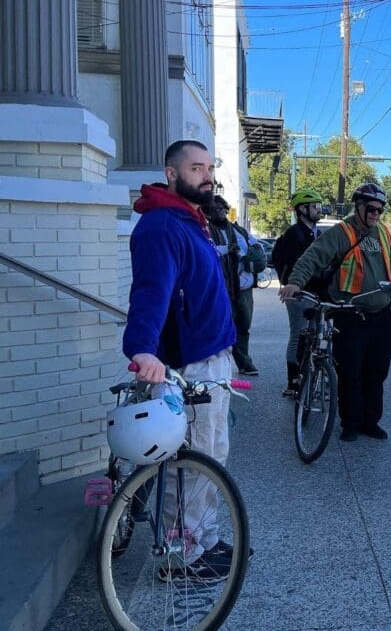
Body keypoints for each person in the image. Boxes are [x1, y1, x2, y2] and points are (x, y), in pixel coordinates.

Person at [122, 139, 238, 581]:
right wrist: (143, 348)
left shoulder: (191, 219)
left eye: (209, 167)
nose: (207, 174)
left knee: (212, 456)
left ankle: (202, 537)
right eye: (196, 167)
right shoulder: (162, 227)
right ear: (172, 173)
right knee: (190, 465)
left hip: (212, 357)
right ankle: (179, 556)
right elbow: (150, 293)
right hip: (188, 365)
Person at [280, 183, 391, 441]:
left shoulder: (384, 234)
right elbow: (312, 257)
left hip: (380, 315)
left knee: (377, 371)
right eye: (371, 209)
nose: (375, 214)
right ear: (358, 207)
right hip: (349, 313)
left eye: (380, 210)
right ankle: (351, 423)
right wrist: (295, 282)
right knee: (351, 371)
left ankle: (371, 421)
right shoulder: (341, 232)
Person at [271, 187, 325, 396]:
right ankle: (293, 382)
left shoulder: (314, 233)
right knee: (299, 335)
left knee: (313, 335)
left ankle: (307, 376)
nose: (319, 210)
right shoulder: (294, 234)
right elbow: (297, 265)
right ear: (302, 209)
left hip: (315, 293)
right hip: (299, 294)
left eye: (319, 206)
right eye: (315, 206)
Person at [204, 195, 262, 376]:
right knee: (224, 325)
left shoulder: (239, 230)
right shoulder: (206, 230)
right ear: (207, 212)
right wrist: (227, 249)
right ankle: (224, 364)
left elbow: (255, 244)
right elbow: (206, 251)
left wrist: (255, 252)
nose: (219, 211)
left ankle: (244, 361)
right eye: (214, 209)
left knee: (244, 325)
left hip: (243, 288)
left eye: (221, 208)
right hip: (221, 289)